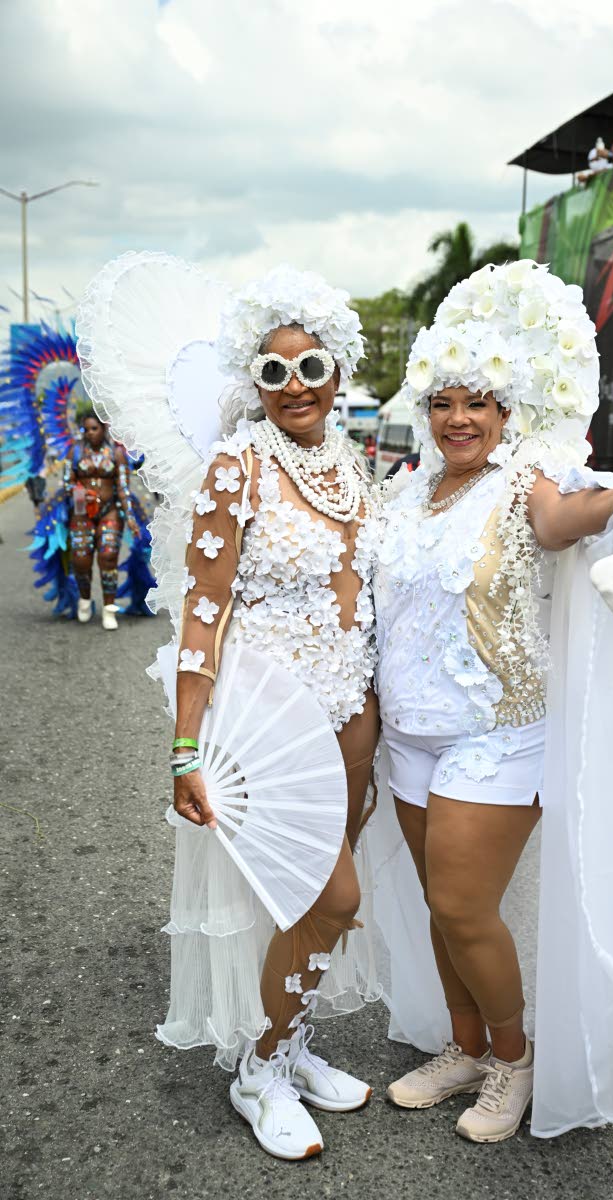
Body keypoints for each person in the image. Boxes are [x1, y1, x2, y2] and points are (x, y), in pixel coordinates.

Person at [367, 259, 613, 1143]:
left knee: (461, 906)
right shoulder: (407, 490)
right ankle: (463, 1046)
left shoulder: (525, 480)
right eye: (443, 402)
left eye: (476, 403)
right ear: (425, 408)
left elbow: (562, 524)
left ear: (506, 411)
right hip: (410, 733)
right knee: (435, 907)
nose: (458, 419)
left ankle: (514, 1062)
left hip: (497, 731)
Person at [77, 262, 382, 1161]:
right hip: (271, 726)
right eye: (276, 371)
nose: (296, 388)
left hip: (353, 714)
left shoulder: (352, 465)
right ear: (253, 379)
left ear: (340, 374)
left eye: (313, 368)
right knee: (330, 897)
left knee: (305, 907)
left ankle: (289, 1042)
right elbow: (202, 612)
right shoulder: (236, 466)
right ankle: (257, 1073)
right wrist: (184, 748)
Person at [64, 410, 140, 629]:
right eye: (85, 429)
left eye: (94, 428)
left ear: (104, 429)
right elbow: (66, 484)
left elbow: (123, 489)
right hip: (81, 511)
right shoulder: (75, 452)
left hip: (110, 512)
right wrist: (80, 491)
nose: (89, 433)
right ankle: (85, 600)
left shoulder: (116, 454)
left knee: (108, 557)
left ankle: (109, 609)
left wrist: (131, 518)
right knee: (80, 560)